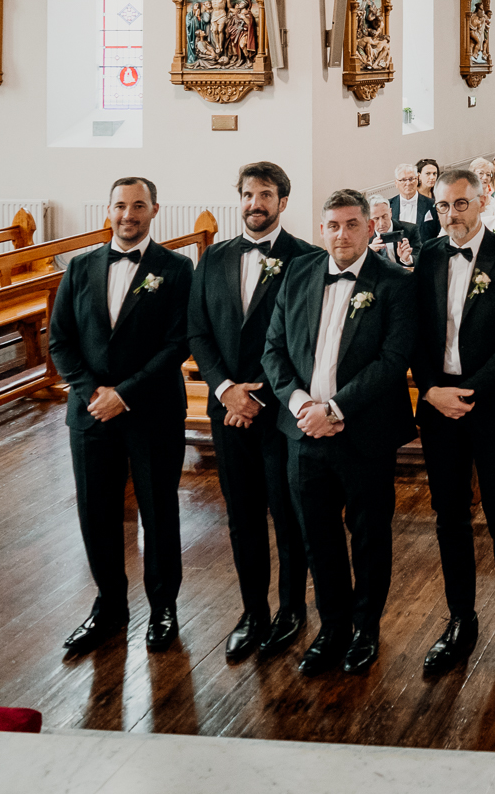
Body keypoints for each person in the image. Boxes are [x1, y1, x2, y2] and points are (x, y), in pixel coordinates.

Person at [261, 189, 416, 676]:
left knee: (369, 535)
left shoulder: (394, 282)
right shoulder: (301, 274)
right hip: (304, 432)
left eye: (351, 224)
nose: (341, 234)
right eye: (332, 225)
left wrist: (336, 407)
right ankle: (333, 628)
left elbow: (393, 362)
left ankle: (366, 629)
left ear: (370, 227)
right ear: (322, 229)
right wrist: (302, 404)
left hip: (363, 433)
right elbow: (273, 351)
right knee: (317, 536)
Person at [50, 175, 195, 657]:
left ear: (155, 210)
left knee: (159, 511)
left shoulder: (175, 269)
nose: (127, 215)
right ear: (107, 210)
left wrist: (125, 393)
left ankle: (163, 608)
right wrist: (94, 393)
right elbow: (61, 340)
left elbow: (178, 343)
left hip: (151, 409)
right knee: (97, 512)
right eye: (119, 206)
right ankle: (109, 605)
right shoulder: (80, 267)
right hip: (91, 413)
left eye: (138, 206)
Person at [413, 168, 495, 684]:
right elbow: (416, 333)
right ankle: (460, 619)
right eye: (442, 207)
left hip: (491, 405)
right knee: (449, 516)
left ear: (482, 201)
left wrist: (470, 392)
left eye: (461, 205)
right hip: (438, 406)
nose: (451, 216)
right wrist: (429, 388)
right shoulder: (428, 256)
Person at [187, 161, 319, 662]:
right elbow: (197, 330)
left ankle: (290, 610)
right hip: (227, 411)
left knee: (287, 516)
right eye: (247, 194)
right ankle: (253, 611)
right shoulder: (214, 258)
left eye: (265, 194)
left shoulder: (305, 259)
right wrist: (224, 389)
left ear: (283, 202)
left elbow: (302, 342)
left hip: (281, 412)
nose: (254, 204)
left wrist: (258, 395)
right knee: (241, 518)